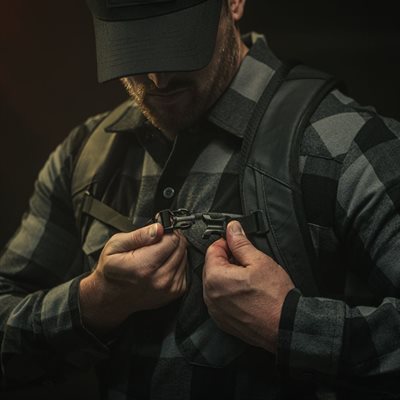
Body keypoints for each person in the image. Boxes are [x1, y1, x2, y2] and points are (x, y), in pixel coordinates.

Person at [1, 0, 400, 399]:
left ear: (234, 4)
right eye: (134, 50)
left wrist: (288, 324)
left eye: (177, 44)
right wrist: (96, 302)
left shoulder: (346, 147)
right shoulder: (84, 155)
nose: (157, 79)